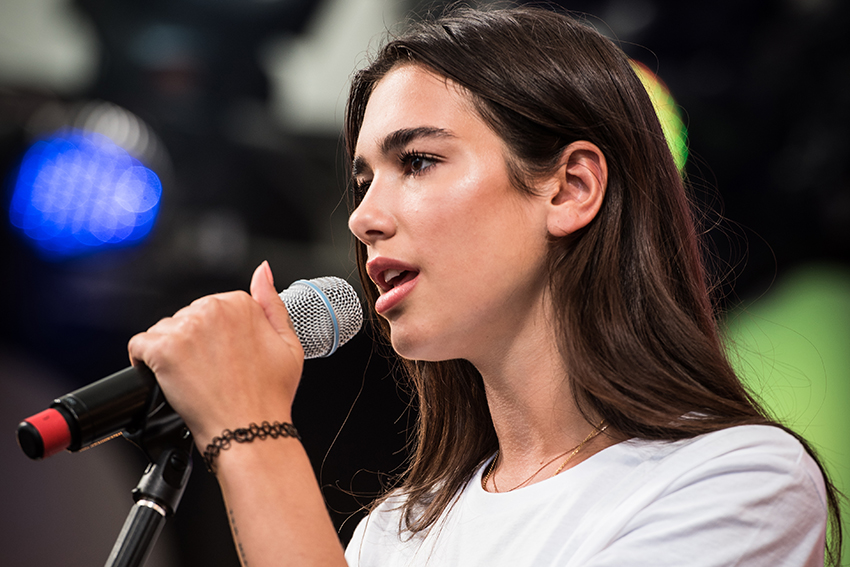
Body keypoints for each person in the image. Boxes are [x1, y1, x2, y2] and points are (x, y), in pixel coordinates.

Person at [128, 6, 843, 567]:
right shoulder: (395, 532)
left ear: (570, 188)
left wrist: (250, 430)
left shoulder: (738, 482)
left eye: (419, 160)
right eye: (362, 181)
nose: (366, 217)